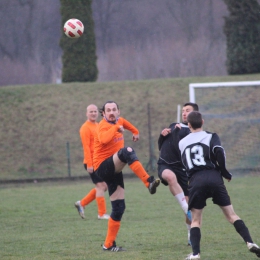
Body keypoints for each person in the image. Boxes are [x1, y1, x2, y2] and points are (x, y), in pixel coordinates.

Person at [179, 111, 260, 260]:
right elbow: (219, 152)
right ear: (202, 122)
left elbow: (185, 164)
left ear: (188, 125)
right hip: (214, 177)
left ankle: (196, 254)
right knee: (231, 215)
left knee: (196, 220)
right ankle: (250, 242)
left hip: (196, 180)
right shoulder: (211, 136)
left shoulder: (182, 142)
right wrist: (224, 172)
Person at [93, 101, 160, 252]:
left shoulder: (120, 121)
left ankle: (108, 245)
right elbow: (104, 139)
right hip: (102, 167)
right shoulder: (102, 126)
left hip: (114, 169)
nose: (111, 112)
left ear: (118, 111)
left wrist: (135, 133)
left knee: (119, 208)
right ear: (103, 114)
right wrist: (116, 128)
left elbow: (132, 128)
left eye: (114, 109)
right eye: (108, 110)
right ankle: (148, 182)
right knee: (126, 151)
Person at [157, 102, 199, 246]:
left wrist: (184, 133)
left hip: (184, 170)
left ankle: (190, 233)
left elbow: (189, 149)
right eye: (183, 111)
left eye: (188, 111)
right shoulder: (174, 125)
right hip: (165, 164)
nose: (184, 113)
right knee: (170, 177)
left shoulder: (195, 133)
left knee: (190, 205)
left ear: (195, 115)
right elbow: (160, 146)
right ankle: (185, 209)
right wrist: (163, 135)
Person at [74, 104, 109, 220]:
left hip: (99, 160)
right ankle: (101, 214)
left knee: (104, 186)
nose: (93, 113)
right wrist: (89, 164)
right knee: (100, 186)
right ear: (86, 113)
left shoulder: (98, 125)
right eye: (91, 112)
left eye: (95, 111)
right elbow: (86, 147)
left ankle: (82, 203)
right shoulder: (85, 128)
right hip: (91, 162)